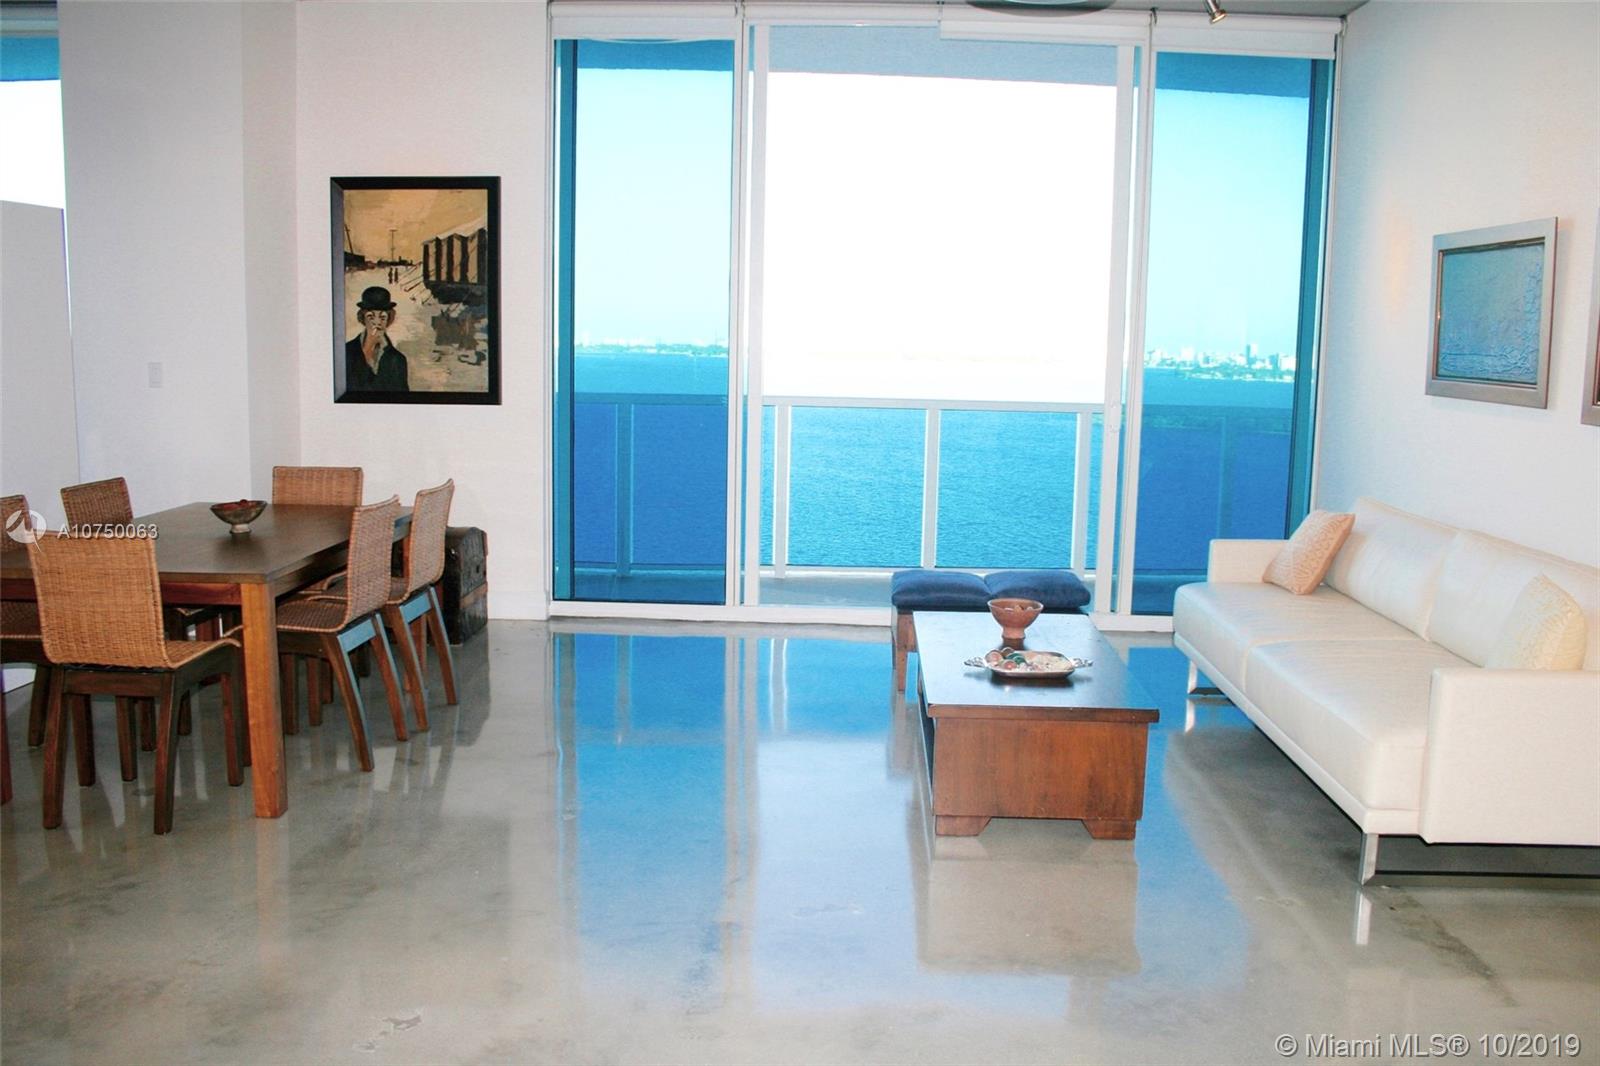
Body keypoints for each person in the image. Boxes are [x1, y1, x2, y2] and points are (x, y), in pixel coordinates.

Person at [345, 285, 410, 392]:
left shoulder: (398, 359)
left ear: (389, 320)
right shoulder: (347, 351)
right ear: (362, 319)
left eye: (382, 317)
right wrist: (368, 347)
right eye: (370, 317)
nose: (377, 322)